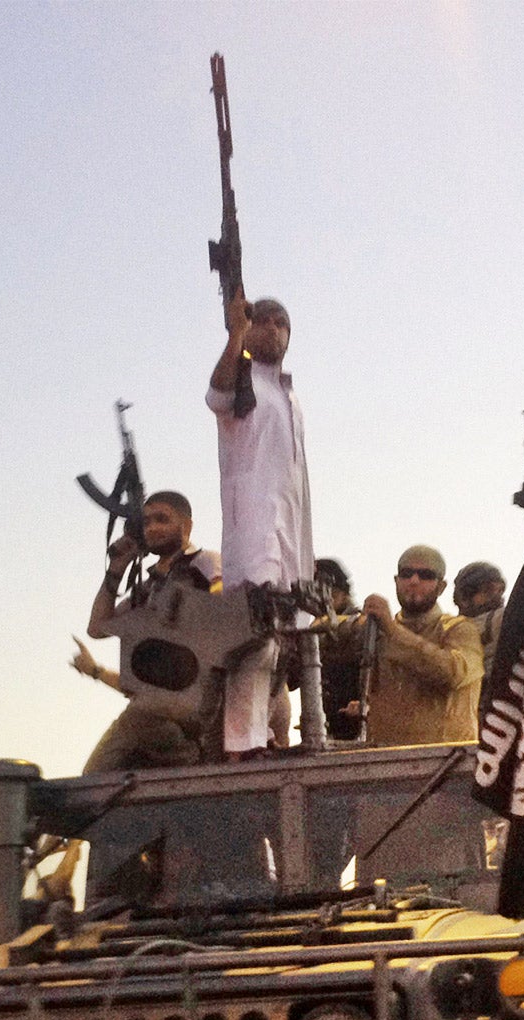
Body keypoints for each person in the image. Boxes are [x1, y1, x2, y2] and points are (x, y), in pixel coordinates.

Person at [207, 294, 313, 756]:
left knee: (288, 642)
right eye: (262, 320)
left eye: (281, 322)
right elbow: (217, 393)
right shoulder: (242, 381)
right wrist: (234, 336)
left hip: (293, 532)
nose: (272, 328)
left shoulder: (287, 393)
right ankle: (243, 745)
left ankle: (271, 737)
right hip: (254, 529)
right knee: (255, 639)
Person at [76, 490, 224, 773]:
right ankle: (186, 756)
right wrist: (117, 569)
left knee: (96, 777)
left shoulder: (204, 563)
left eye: (162, 519)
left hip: (197, 698)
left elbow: (220, 606)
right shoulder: (148, 588)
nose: (152, 528)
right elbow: (97, 628)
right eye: (146, 523)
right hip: (156, 708)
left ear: (186, 526)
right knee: (99, 775)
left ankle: (193, 756)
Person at [352, 544, 483, 747]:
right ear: (396, 581)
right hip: (385, 764)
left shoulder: (460, 630)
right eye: (406, 573)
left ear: (441, 587)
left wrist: (393, 632)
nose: (414, 581)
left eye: (426, 575)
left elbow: (452, 673)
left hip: (447, 766)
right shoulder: (378, 631)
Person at [311, 557, 365, 743]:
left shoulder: (359, 629)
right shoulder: (313, 632)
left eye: (328, 595)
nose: (321, 602)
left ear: (343, 594)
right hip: (327, 728)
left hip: (358, 729)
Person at [452, 561, 507, 675]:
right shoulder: (451, 630)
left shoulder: (499, 617)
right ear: (465, 598)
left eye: (501, 589)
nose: (497, 594)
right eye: (488, 590)